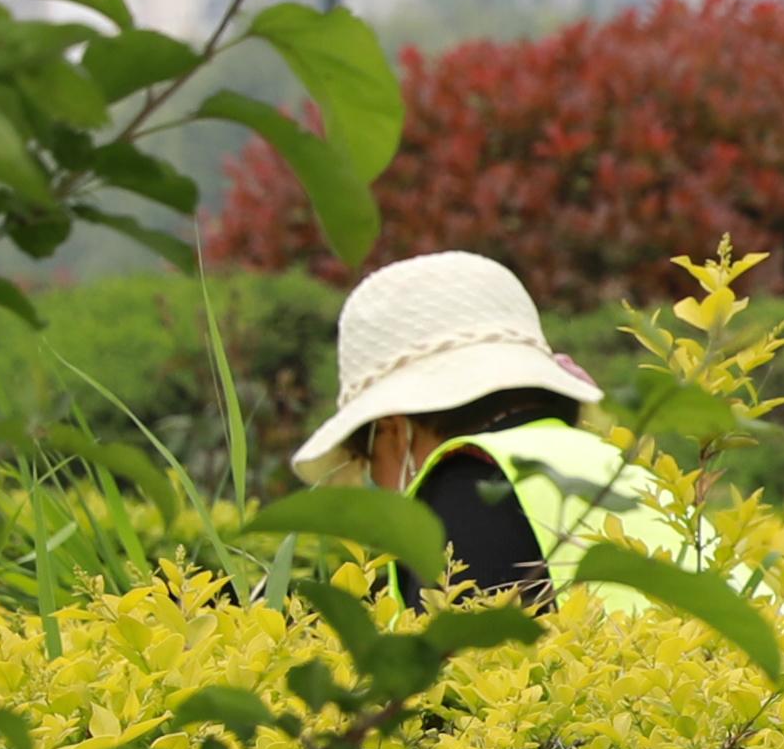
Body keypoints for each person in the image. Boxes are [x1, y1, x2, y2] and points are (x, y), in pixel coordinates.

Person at [289, 250, 692, 609]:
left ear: (391, 430)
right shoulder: (628, 472)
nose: (374, 483)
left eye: (365, 462)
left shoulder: (467, 492)